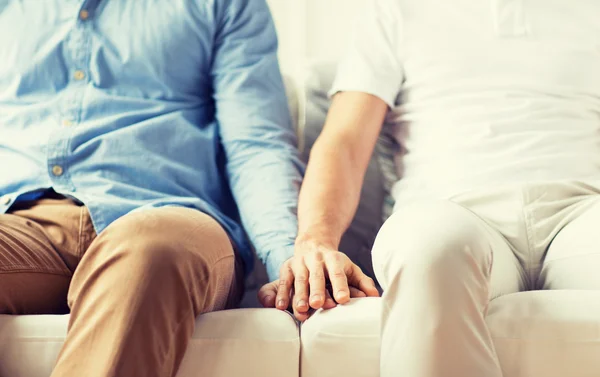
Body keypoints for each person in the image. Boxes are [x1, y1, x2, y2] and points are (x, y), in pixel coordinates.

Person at [262, 1, 600, 376]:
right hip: (452, 210)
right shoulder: (393, 12)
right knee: (428, 247)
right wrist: (317, 242)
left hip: (583, 210)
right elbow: (344, 142)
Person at [0, 1, 304, 376]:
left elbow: (256, 144)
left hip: (168, 220)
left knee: (149, 247)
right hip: (26, 222)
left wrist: (289, 258)